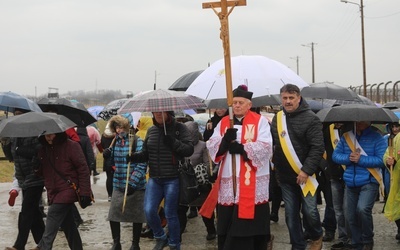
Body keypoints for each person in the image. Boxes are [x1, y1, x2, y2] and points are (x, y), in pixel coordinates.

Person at [200, 85, 273, 250]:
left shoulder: (259, 121)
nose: (237, 106)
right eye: (234, 102)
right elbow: (211, 144)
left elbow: (266, 147)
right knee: (228, 219)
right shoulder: (225, 122)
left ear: (249, 104)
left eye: (241, 102)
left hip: (251, 179)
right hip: (229, 177)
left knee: (248, 223)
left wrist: (242, 149)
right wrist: (224, 142)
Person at [129, 111, 194, 250]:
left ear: (168, 112)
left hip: (173, 178)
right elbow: (146, 154)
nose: (158, 114)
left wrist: (173, 142)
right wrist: (134, 157)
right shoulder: (151, 130)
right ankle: (160, 237)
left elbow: (189, 150)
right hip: (155, 178)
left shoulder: (179, 128)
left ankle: (174, 244)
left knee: (171, 213)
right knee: (149, 210)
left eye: (161, 111)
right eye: (155, 112)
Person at [270, 84, 324, 250]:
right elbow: (275, 145)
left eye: (291, 98)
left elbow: (317, 148)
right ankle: (298, 245)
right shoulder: (277, 118)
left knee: (310, 212)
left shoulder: (311, 119)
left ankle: (316, 235)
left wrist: (306, 170)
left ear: (299, 98)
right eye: (285, 98)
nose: (288, 101)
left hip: (306, 176)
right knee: (290, 214)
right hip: (286, 177)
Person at [31, 131, 92, 250]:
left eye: (51, 134)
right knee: (68, 225)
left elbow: (83, 169)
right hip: (52, 191)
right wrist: (36, 166)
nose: (48, 136)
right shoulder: (43, 150)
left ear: (58, 133)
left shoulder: (71, 146)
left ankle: (43, 247)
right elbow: (42, 173)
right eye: (46, 134)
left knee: (53, 214)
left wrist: (85, 192)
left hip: (68, 189)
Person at [332, 121, 386, 250]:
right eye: (358, 121)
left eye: (363, 121)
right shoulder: (347, 136)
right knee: (350, 215)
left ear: (369, 122)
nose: (359, 123)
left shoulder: (377, 137)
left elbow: (381, 160)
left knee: (362, 210)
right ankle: (356, 242)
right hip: (350, 182)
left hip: (369, 181)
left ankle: (367, 239)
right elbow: (336, 156)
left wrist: (361, 159)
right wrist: (349, 158)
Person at [2, 108, 45, 250]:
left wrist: (19, 149)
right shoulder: (14, 135)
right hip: (23, 178)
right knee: (34, 215)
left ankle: (19, 245)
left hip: (35, 178)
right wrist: (6, 144)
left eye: (20, 115)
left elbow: (38, 152)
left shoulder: (34, 132)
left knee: (26, 211)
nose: (17, 118)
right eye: (16, 115)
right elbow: (10, 157)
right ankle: (44, 244)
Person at [104, 114, 147, 250]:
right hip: (118, 184)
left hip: (135, 186)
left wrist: (133, 182)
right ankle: (116, 242)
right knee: (114, 215)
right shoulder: (115, 141)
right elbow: (112, 160)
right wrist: (107, 155)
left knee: (136, 215)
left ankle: (135, 243)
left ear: (128, 127)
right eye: (116, 127)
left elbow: (142, 163)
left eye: (122, 126)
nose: (119, 130)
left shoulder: (137, 141)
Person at [180, 121, 216, 241]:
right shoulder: (181, 145)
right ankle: (177, 233)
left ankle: (211, 230)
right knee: (181, 209)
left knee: (204, 208)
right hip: (185, 181)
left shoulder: (203, 145)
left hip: (200, 182)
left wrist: (199, 171)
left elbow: (207, 163)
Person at [324, 123, 352, 249]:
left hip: (349, 176)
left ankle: (352, 238)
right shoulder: (327, 130)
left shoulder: (352, 131)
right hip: (334, 175)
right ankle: (343, 237)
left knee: (348, 209)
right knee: (338, 210)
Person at [383, 123, 400, 241]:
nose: (395, 129)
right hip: (398, 180)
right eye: (393, 126)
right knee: (396, 205)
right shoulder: (394, 140)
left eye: (397, 126)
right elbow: (387, 155)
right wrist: (389, 161)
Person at [102, 121, 117, 201]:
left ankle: (109, 195)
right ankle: (115, 193)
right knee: (116, 177)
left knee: (109, 177)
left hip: (107, 158)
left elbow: (102, 145)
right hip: (114, 158)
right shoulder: (116, 136)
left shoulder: (103, 135)